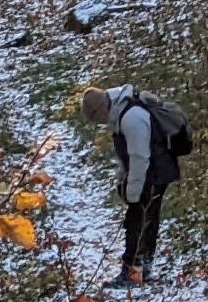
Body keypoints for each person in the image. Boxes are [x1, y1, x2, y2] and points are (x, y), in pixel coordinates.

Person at [76, 82, 192, 286]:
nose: (101, 124)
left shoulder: (132, 118)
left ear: (102, 111)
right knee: (148, 218)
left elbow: (139, 159)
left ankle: (133, 272)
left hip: (154, 173)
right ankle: (142, 268)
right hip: (157, 170)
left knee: (137, 221)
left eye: (98, 119)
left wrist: (132, 192)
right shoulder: (123, 108)